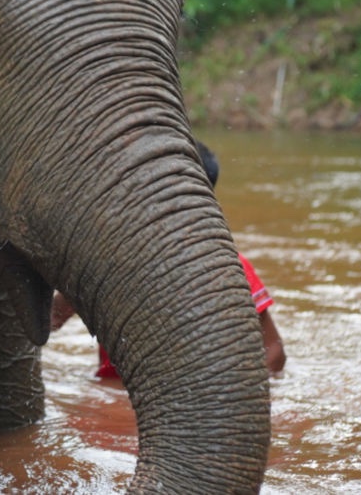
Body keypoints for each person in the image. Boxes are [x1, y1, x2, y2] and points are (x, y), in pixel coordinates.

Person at [51, 140, 287, 376]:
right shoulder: (106, 261)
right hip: (117, 390)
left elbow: (273, 352)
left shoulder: (227, 265)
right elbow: (52, 317)